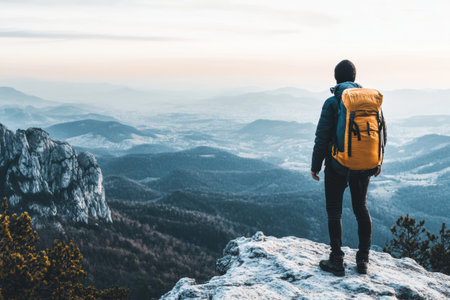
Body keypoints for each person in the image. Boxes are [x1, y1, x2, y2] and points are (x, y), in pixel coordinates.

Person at [311, 59, 384, 276]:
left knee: (335, 211)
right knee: (360, 208)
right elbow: (380, 133)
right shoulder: (369, 101)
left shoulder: (333, 102)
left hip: (338, 165)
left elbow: (322, 137)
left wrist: (316, 166)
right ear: (354, 77)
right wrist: (377, 161)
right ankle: (363, 260)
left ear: (336, 78)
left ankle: (337, 260)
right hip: (364, 164)